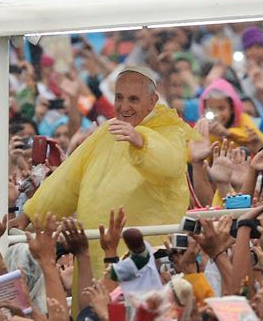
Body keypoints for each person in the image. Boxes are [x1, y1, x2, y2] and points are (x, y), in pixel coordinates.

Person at [18, 66, 197, 277]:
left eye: (133, 99)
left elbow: (170, 164)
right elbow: (67, 179)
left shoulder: (169, 130)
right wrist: (29, 215)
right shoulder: (107, 130)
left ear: (152, 101)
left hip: (144, 255)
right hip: (92, 253)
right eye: (119, 98)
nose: (124, 106)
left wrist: (141, 141)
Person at [198, 78, 263, 150]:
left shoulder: (242, 118)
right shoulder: (203, 126)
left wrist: (228, 133)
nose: (217, 114)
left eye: (221, 108)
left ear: (232, 108)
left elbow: (259, 137)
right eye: (211, 109)